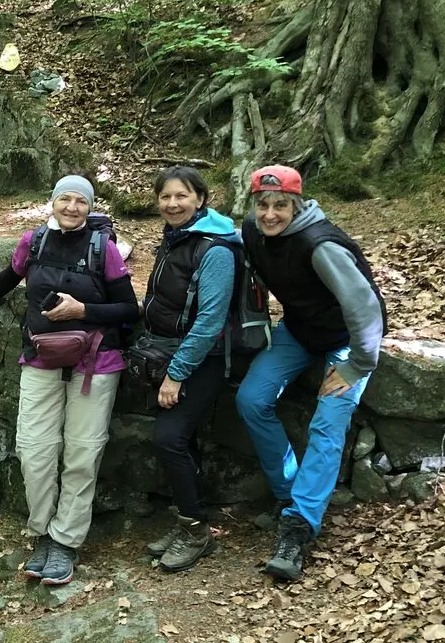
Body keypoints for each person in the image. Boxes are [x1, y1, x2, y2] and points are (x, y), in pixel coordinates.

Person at [0, 174, 139, 586]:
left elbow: (129, 309)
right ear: (52, 202)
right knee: (33, 450)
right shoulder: (33, 242)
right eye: (65, 199)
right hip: (40, 359)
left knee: (82, 453)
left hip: (96, 363)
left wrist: (82, 311)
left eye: (81, 202)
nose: (73, 207)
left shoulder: (102, 249)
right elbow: (10, 275)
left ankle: (65, 540)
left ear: (90, 208)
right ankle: (42, 530)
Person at [236, 165, 386, 582]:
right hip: (300, 330)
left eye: (280, 205)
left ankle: (299, 525)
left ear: (296, 205)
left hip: (344, 339)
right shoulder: (253, 230)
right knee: (251, 400)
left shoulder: (319, 245)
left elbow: (365, 308)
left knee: (328, 419)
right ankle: (288, 494)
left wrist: (357, 365)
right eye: (262, 204)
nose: (269, 214)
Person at [133, 166, 239, 572]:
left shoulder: (214, 249)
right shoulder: (176, 238)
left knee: (169, 438)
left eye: (181, 196)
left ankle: (196, 532)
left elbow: (210, 321)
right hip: (168, 351)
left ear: (200, 199)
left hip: (201, 360)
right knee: (183, 440)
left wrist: (176, 374)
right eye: (165, 197)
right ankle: (188, 521)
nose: (172, 204)